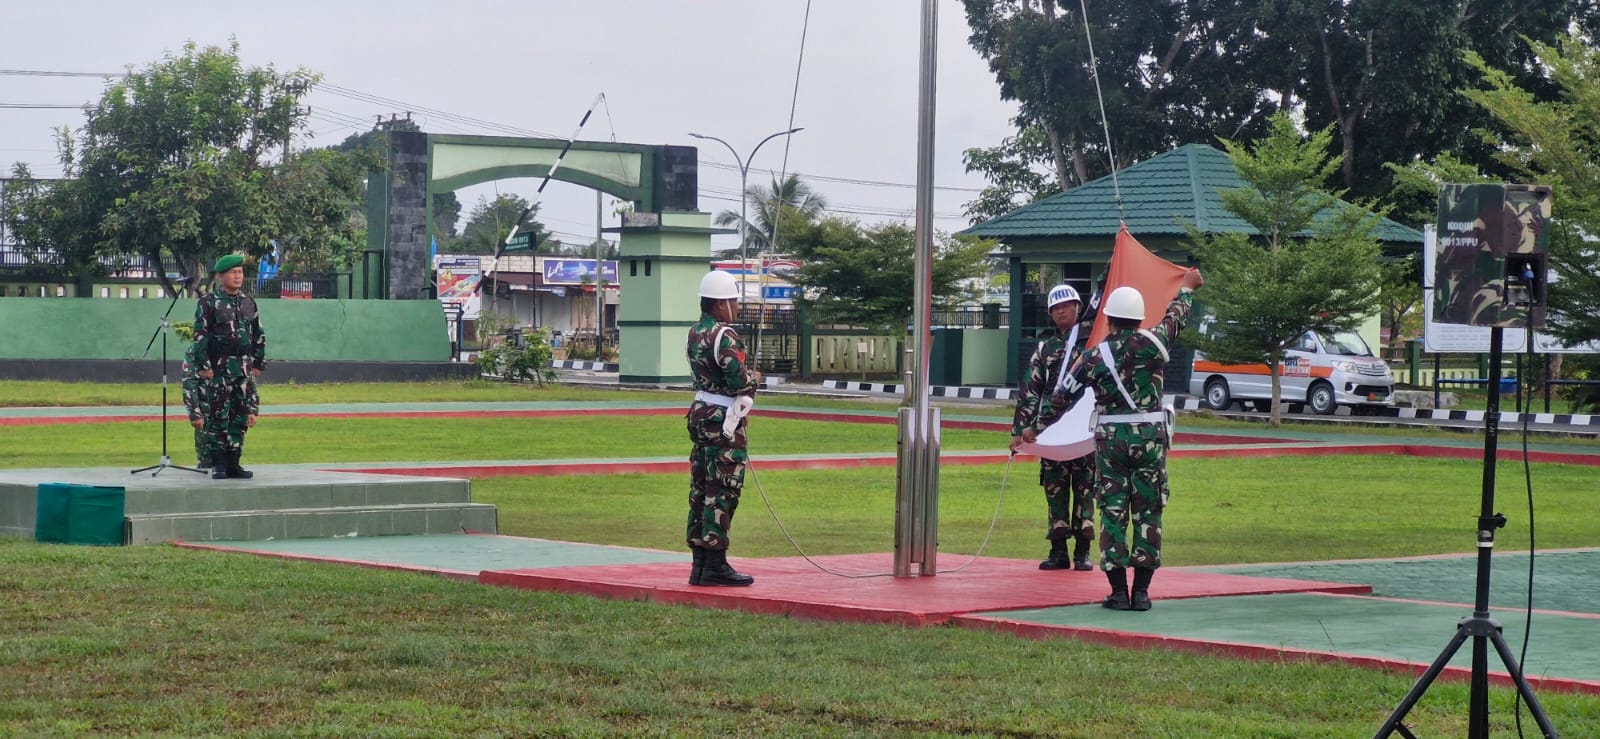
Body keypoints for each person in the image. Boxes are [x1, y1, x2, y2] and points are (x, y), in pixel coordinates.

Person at [1054, 268, 1204, 611]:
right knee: (1148, 511)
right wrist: (1186, 289)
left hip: (1110, 442)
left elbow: (1063, 396)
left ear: (1108, 319)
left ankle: (1118, 591)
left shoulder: (1092, 357)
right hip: (1150, 438)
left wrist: (1035, 428)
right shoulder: (1153, 343)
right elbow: (1175, 318)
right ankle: (1142, 593)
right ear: (1138, 319)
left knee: (1112, 511)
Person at [1010, 284, 1096, 571]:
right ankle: (1058, 551)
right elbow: (1030, 391)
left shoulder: (1093, 342)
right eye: (1055, 308)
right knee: (1054, 490)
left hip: (1085, 428)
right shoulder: (1045, 348)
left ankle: (1083, 552)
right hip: (1051, 429)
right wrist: (1019, 430)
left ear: (1078, 308)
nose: (1061, 311)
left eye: (1066, 306)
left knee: (1085, 488)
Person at [684, 270, 760, 587]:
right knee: (723, 489)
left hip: (701, 412)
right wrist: (754, 379)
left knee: (701, 488)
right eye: (734, 301)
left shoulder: (695, 332)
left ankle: (700, 564)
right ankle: (715, 564)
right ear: (720, 304)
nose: (737, 307)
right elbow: (738, 380)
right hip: (722, 419)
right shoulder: (723, 334)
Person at [193, 254, 266, 481]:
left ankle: (234, 462)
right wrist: (204, 365)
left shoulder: (248, 302)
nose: (238, 276)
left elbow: (258, 334)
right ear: (221, 276)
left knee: (240, 416)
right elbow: (200, 335)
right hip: (219, 368)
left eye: (240, 272)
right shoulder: (208, 302)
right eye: (233, 272)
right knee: (218, 415)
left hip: (243, 368)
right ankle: (219, 464)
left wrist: (257, 363)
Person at [180, 339, 215, 470]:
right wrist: (194, 413)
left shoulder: (233, 346)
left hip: (228, 409)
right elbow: (189, 382)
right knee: (207, 462)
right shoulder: (196, 350)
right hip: (206, 409)